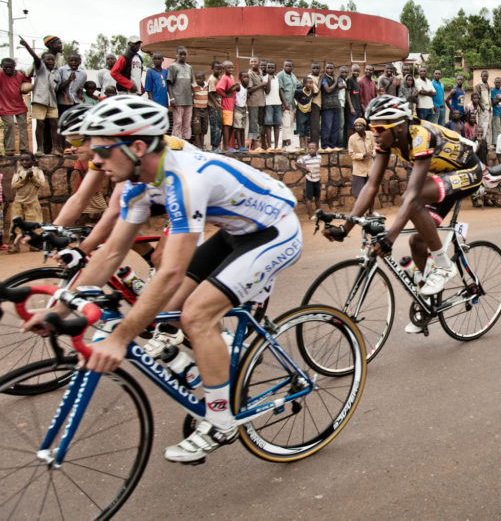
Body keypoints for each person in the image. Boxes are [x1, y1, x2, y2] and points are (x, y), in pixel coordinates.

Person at [24, 95, 302, 463]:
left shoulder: (184, 180)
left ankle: (221, 421)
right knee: (160, 312)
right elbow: (109, 253)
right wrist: (58, 306)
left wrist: (121, 338)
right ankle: (198, 361)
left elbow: (170, 271)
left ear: (138, 146)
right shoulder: (139, 184)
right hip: (236, 231)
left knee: (196, 314)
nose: (95, 161)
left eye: (103, 151)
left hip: (275, 230)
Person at [327, 95, 484, 332]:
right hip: (442, 178)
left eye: (379, 128)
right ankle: (428, 303)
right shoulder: (387, 141)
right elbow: (371, 185)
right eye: (372, 128)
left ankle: (443, 266)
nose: (375, 133)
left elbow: (411, 196)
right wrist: (344, 228)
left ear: (399, 126)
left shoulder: (421, 135)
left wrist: (389, 239)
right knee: (416, 241)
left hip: (468, 171)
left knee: (413, 198)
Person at [21, 38, 60, 154]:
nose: (51, 62)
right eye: (48, 59)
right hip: (39, 100)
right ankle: (40, 148)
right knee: (41, 124)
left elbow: (57, 87)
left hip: (52, 102)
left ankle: (55, 148)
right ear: (43, 61)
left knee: (54, 124)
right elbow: (35, 57)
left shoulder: (56, 73)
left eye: (52, 60)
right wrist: (26, 46)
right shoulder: (40, 68)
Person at [9, 153, 45, 251]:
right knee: (16, 225)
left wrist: (32, 177)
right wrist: (25, 179)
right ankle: (16, 245)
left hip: (32, 202)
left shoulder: (38, 171)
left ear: (33, 161)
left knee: (34, 224)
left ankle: (33, 244)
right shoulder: (18, 171)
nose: (24, 162)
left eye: (27, 160)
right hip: (18, 202)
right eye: (22, 160)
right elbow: (14, 186)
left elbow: (41, 183)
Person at [0, 57, 31, 155]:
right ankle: (9, 149)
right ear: (2, 67)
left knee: (23, 126)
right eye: (5, 68)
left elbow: (28, 81)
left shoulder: (20, 75)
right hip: (4, 106)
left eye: (10, 67)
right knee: (9, 125)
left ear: (14, 67)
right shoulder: (0, 75)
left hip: (19, 105)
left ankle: (24, 148)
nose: (8, 70)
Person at [166, 46, 194, 142]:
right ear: (176, 55)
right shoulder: (172, 67)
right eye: (180, 54)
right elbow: (169, 84)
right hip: (177, 100)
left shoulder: (189, 67)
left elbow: (191, 83)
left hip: (188, 100)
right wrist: (172, 98)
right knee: (178, 122)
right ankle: (176, 142)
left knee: (187, 123)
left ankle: (186, 142)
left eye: (184, 54)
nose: (182, 56)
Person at [215, 61, 240, 152]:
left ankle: (227, 145)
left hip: (231, 104)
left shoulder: (231, 77)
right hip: (226, 105)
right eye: (229, 68)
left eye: (232, 67)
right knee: (226, 126)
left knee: (230, 126)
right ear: (224, 69)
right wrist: (224, 94)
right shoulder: (224, 78)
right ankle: (226, 146)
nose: (231, 69)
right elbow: (218, 88)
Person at [296, 141, 322, 219]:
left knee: (317, 198)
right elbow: (297, 163)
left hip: (317, 179)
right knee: (309, 198)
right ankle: (310, 215)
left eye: (313, 148)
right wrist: (305, 168)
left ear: (316, 149)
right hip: (309, 179)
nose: (311, 150)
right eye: (309, 148)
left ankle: (319, 214)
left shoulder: (319, 157)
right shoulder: (305, 158)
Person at [245, 58, 268, 151]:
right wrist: (261, 85)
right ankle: (254, 144)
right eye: (252, 62)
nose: (253, 63)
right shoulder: (250, 74)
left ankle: (263, 143)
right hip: (253, 102)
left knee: (262, 123)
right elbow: (249, 89)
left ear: (258, 63)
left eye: (255, 61)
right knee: (253, 123)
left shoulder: (261, 72)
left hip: (262, 102)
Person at [348, 117, 372, 201]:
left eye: (360, 125)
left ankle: (371, 211)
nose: (358, 127)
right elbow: (351, 154)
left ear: (364, 127)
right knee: (358, 193)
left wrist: (372, 154)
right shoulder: (352, 138)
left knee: (370, 192)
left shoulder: (370, 135)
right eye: (356, 126)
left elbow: (376, 147)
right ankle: (361, 212)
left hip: (370, 168)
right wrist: (362, 156)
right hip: (358, 169)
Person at [277, 60, 300, 151]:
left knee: (290, 125)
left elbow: (299, 85)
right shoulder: (280, 75)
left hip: (292, 104)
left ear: (292, 67)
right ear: (283, 66)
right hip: (285, 104)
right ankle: (286, 143)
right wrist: (284, 102)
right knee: (285, 125)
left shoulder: (293, 76)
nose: (288, 67)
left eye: (290, 66)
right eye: (286, 66)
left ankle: (285, 145)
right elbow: (280, 89)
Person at [320, 62, 342, 150]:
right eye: (328, 68)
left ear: (334, 69)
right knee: (327, 127)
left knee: (335, 127)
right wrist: (336, 82)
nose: (329, 70)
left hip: (336, 105)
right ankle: (325, 145)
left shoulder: (335, 77)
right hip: (327, 106)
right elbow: (328, 90)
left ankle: (333, 145)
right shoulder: (324, 78)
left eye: (331, 68)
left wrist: (337, 83)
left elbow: (342, 85)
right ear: (325, 69)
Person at [263, 62, 283, 151]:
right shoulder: (264, 78)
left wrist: (284, 103)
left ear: (275, 69)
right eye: (268, 67)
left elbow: (280, 91)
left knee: (277, 125)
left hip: (277, 104)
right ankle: (269, 146)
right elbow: (267, 91)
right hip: (268, 104)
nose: (270, 69)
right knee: (268, 125)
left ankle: (276, 146)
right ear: (266, 68)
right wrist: (269, 81)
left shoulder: (278, 78)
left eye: (272, 68)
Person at [206, 61, 224, 151]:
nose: (219, 71)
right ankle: (214, 147)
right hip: (214, 106)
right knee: (215, 126)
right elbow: (210, 93)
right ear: (212, 69)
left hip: (219, 105)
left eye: (221, 69)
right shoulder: (212, 79)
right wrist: (216, 104)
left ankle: (217, 146)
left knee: (219, 126)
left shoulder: (219, 78)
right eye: (217, 69)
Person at [473, 71, 492, 150]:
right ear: (481, 76)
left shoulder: (488, 85)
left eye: (487, 76)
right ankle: (482, 144)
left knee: (488, 128)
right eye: (484, 76)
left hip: (489, 109)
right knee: (483, 127)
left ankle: (488, 144)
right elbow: (477, 98)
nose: (485, 77)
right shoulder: (478, 85)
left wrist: (490, 107)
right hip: (483, 110)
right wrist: (483, 108)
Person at [294, 76, 315, 149]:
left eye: (312, 83)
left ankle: (306, 146)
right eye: (309, 83)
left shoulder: (312, 91)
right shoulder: (299, 92)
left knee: (306, 129)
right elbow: (294, 98)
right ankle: (301, 145)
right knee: (301, 128)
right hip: (300, 112)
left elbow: (311, 100)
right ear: (304, 84)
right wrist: (298, 105)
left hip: (307, 112)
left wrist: (309, 107)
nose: (310, 85)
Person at [190, 70, 209, 149]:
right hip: (196, 109)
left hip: (205, 109)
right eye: (196, 78)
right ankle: (199, 146)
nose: (198, 80)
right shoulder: (193, 86)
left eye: (200, 78)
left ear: (204, 78)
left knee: (204, 128)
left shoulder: (207, 85)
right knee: (197, 128)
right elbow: (191, 96)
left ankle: (202, 144)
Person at [308, 62, 323, 148]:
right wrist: (320, 80)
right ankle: (314, 146)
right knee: (315, 127)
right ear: (311, 69)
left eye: (317, 68)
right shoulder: (310, 78)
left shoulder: (319, 77)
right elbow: (316, 91)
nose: (316, 70)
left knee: (319, 126)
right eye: (314, 68)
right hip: (314, 104)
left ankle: (319, 145)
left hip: (321, 104)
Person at [234, 71, 250, 150]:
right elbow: (231, 89)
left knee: (243, 128)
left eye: (247, 77)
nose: (246, 79)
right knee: (238, 128)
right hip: (237, 108)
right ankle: (240, 146)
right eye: (244, 77)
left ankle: (243, 145)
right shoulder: (238, 86)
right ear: (240, 79)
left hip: (244, 108)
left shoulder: (246, 88)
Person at [490, 77, 501, 146]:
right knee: (497, 129)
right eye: (496, 82)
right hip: (496, 113)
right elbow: (494, 102)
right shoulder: (493, 91)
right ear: (494, 83)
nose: (498, 83)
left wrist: (500, 99)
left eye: (499, 82)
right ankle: (496, 143)